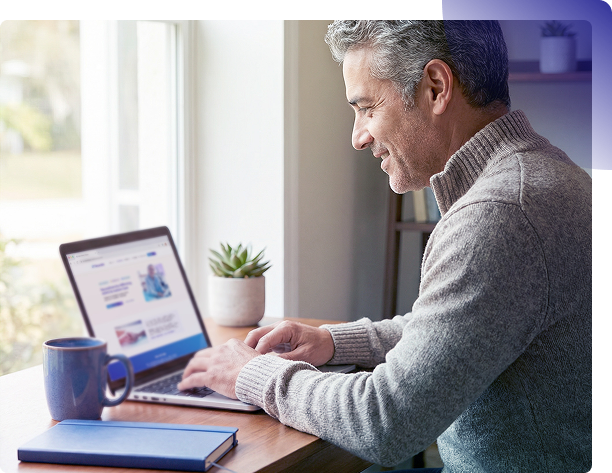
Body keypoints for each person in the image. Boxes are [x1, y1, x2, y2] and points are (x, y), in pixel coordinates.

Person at [178, 21, 592, 472]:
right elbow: (467, 328)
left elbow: (383, 421)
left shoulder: (499, 214)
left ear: (436, 87)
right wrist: (333, 343)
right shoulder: (541, 174)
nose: (358, 136)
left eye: (367, 108)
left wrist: (250, 375)